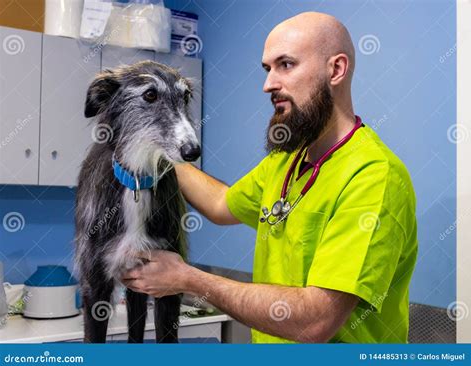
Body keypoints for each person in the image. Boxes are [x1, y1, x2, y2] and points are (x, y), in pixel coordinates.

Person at [122, 11, 418, 343]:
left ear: (336, 69)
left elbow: (315, 321)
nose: (268, 85)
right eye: (267, 69)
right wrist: (161, 149)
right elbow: (220, 203)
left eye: (286, 65)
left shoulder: (374, 177)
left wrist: (189, 279)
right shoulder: (287, 159)